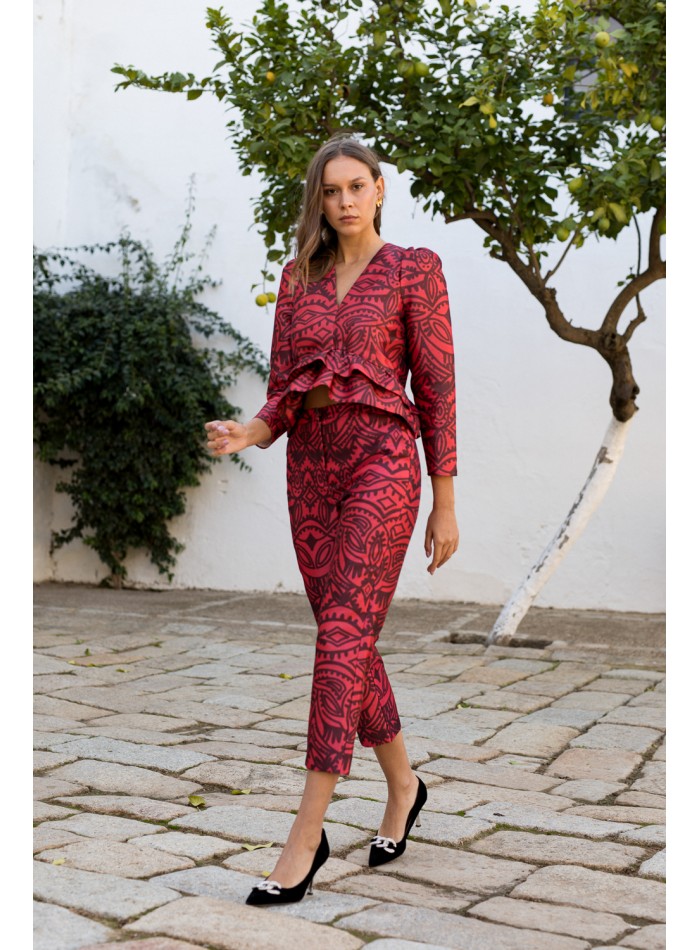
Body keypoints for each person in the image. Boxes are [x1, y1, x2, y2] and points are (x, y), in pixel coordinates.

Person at [205, 133, 459, 906]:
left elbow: (439, 385)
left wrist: (444, 496)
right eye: (331, 190)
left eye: (357, 186)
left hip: (383, 454)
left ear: (380, 190)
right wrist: (250, 431)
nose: (344, 200)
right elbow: (284, 387)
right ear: (318, 200)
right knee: (347, 636)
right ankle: (404, 786)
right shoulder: (298, 278)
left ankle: (305, 839)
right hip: (310, 463)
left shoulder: (416, 268)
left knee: (342, 635)